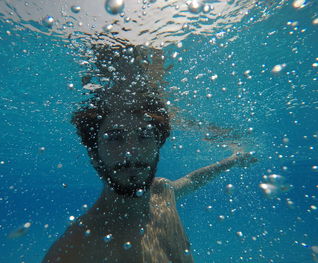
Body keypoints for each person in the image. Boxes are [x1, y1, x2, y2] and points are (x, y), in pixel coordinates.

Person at [42, 44, 256, 263]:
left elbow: (193, 179)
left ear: (158, 146)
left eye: (144, 136)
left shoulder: (163, 192)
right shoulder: (76, 248)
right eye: (115, 138)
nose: (131, 152)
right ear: (94, 153)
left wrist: (233, 160)